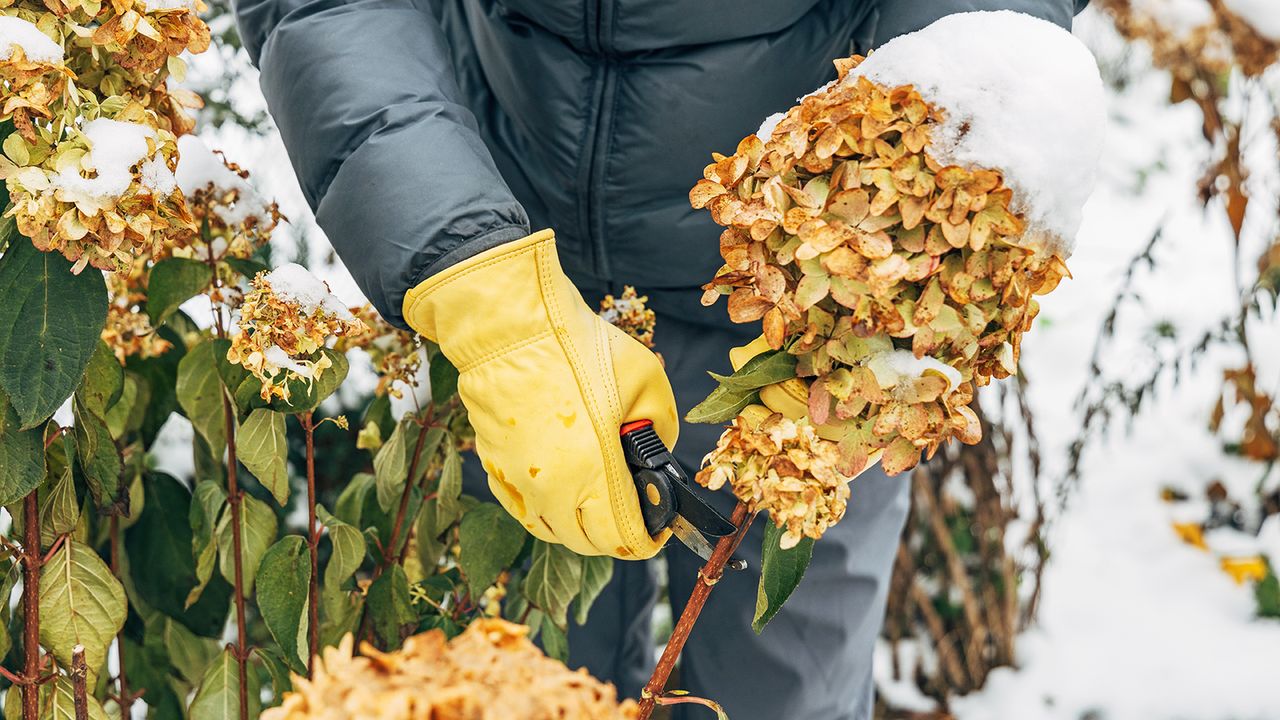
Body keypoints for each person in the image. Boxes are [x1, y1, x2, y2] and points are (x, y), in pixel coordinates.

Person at [232, 1, 1088, 717]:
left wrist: (895, 260)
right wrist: (483, 294)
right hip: (503, 232)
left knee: (782, 684)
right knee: (522, 666)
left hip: (799, 301)